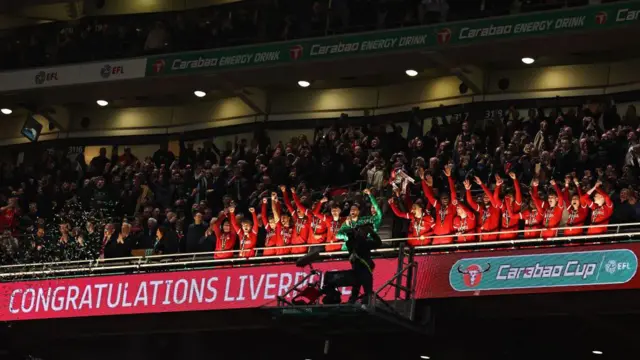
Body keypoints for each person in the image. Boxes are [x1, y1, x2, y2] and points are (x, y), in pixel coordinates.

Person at [345, 223, 382, 305]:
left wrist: (356, 234)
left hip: (357, 269)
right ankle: (365, 306)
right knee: (366, 291)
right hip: (364, 269)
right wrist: (372, 233)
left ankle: (352, 304)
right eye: (364, 231)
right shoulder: (362, 242)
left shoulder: (354, 241)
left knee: (356, 290)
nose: (366, 233)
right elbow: (378, 243)